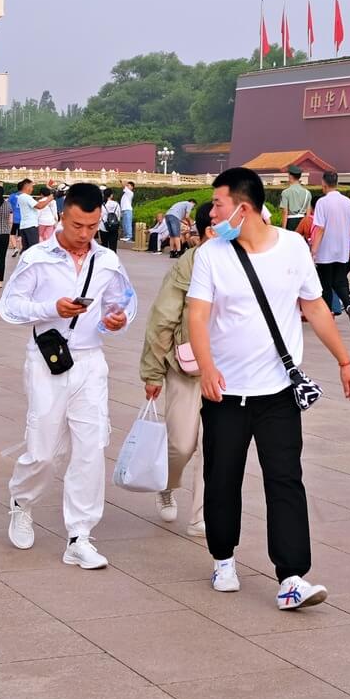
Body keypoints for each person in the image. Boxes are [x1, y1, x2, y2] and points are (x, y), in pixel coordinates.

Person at [186, 167, 350, 610]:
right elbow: (198, 316)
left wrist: (344, 359)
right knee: (222, 478)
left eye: (219, 204)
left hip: (278, 392)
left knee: (286, 480)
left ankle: (292, 576)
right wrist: (206, 367)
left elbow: (315, 306)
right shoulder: (212, 254)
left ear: (243, 208)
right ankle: (223, 558)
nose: (213, 212)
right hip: (225, 393)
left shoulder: (294, 247)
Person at [0, 182, 134, 570]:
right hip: (48, 360)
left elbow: (122, 303)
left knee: (90, 449)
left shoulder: (107, 259)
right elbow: (10, 307)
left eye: (92, 226)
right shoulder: (37, 258)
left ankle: (80, 535)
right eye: (78, 225)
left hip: (91, 363)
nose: (85, 234)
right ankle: (21, 502)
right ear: (63, 214)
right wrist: (50, 307)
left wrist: (116, 320)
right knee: (43, 450)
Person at [140, 203, 207, 537]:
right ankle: (167, 483)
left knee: (217, 447)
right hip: (187, 365)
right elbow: (162, 319)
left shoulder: (247, 261)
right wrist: (152, 372)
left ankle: (201, 515)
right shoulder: (189, 265)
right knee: (181, 443)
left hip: (231, 370)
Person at [305, 170, 350, 327]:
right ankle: (348, 305)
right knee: (340, 282)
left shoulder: (322, 202)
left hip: (325, 251)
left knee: (325, 285)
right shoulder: (347, 202)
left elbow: (320, 229)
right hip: (342, 250)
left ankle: (327, 317)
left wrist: (313, 250)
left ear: (323, 183)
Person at [278, 166, 311, 238]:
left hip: (290, 222)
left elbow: (285, 212)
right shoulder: (307, 193)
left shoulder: (285, 192)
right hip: (303, 220)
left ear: (290, 176)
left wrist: (283, 229)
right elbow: (308, 214)